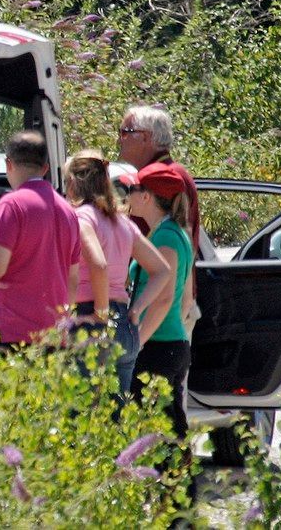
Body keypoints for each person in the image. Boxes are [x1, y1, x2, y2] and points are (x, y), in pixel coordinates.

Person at [64, 149, 170, 393]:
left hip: (91, 322)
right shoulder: (123, 222)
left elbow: (98, 265)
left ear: (73, 183)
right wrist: (136, 310)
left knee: (82, 417)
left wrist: (101, 314)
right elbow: (162, 271)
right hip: (125, 326)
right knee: (117, 421)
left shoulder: (81, 219)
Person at [0, 130, 80, 345]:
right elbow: (73, 280)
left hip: (11, 334)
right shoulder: (68, 211)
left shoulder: (12, 204)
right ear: (45, 168)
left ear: (8, 164)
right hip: (54, 337)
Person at [117, 104, 201, 332]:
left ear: (145, 137)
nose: (119, 139)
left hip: (163, 309)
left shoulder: (166, 176)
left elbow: (181, 243)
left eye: (125, 132)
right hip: (155, 303)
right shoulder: (159, 174)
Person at [124, 163, 193, 439]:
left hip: (158, 348)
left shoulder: (165, 236)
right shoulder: (177, 233)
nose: (127, 195)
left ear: (147, 196)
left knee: (158, 435)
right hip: (171, 344)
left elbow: (164, 298)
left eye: (132, 189)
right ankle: (180, 482)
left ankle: (173, 482)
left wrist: (137, 343)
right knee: (171, 431)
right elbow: (185, 300)